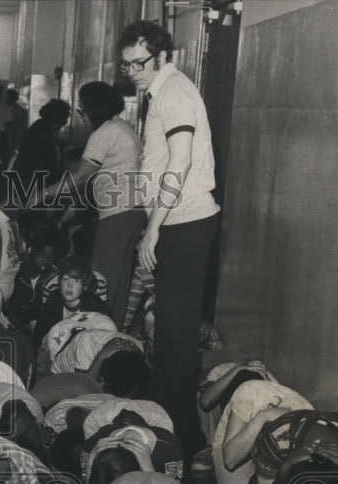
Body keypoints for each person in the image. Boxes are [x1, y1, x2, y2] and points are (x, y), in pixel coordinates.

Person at [119, 21, 220, 459]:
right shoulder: (160, 92)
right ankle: (169, 425)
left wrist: (155, 226)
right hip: (176, 223)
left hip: (185, 224)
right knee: (168, 334)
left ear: (160, 57)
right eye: (126, 66)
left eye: (139, 63)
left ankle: (182, 440)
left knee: (176, 338)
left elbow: (179, 161)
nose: (132, 72)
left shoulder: (175, 91)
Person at [74, 82, 147, 332]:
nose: (79, 113)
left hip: (118, 213)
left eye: (81, 108)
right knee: (118, 279)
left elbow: (80, 177)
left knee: (101, 278)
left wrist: (40, 194)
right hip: (132, 211)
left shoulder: (103, 133)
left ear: (92, 109)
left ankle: (96, 334)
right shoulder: (121, 127)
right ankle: (113, 331)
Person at [10, 99, 70, 199]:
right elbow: (45, 163)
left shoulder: (42, 127)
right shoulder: (42, 133)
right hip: (31, 184)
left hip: (28, 182)